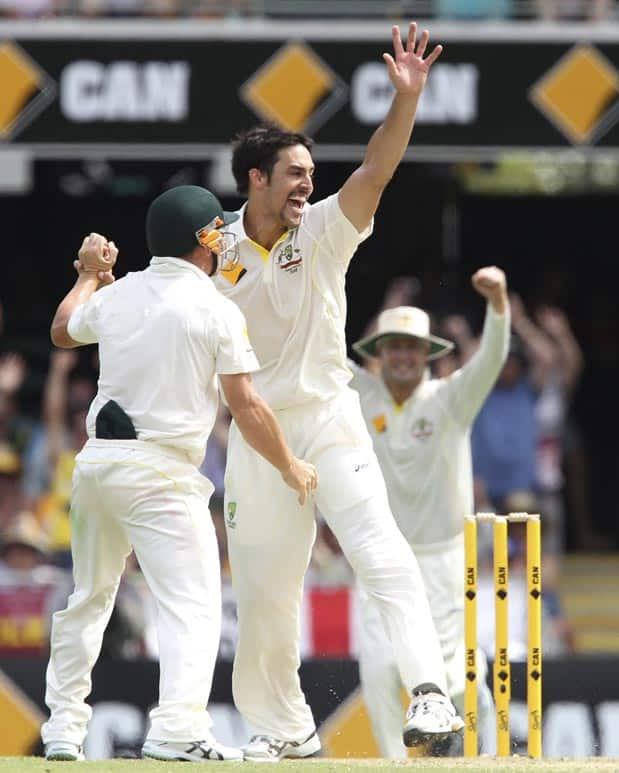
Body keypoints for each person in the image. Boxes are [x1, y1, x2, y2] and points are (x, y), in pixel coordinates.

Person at [214, 23, 463, 761]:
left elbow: (375, 172)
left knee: (380, 550)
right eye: (293, 173)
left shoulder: (323, 230)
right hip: (256, 433)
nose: (307, 184)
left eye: (310, 173)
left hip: (328, 416)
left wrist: (405, 101)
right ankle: (286, 729)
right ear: (254, 178)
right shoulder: (214, 246)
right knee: (263, 598)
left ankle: (430, 692)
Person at [40, 187, 317, 763]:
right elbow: (247, 407)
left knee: (89, 598)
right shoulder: (217, 308)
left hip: (98, 467)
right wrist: (291, 465)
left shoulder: (125, 293)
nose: (224, 240)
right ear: (202, 240)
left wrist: (92, 273)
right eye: (217, 230)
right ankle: (177, 729)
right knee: (192, 603)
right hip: (161, 474)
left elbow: (64, 329)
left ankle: (63, 729)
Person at [348, 266, 510, 758]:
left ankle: (484, 756)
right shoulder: (360, 394)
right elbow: (319, 348)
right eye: (392, 346)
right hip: (379, 557)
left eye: (411, 347)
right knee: (377, 671)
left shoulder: (449, 400)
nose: (401, 356)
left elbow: (490, 360)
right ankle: (393, 767)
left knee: (459, 678)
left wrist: (498, 303)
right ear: (378, 352)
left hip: (442, 558)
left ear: (427, 354)